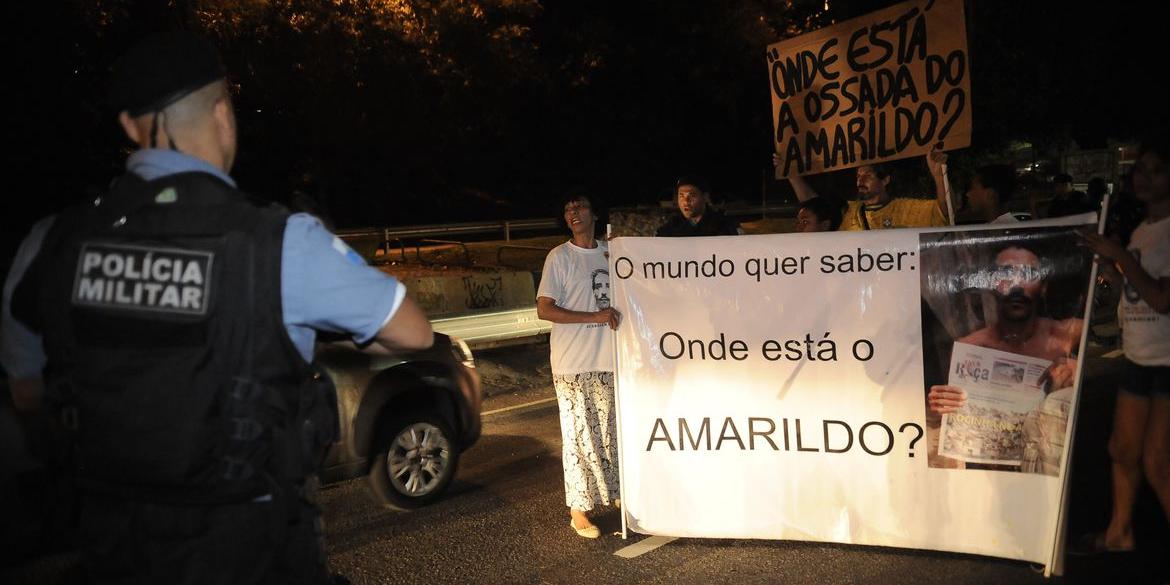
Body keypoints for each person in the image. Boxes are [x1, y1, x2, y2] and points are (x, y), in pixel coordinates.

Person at [0, 31, 433, 584]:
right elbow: (414, 335)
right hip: (251, 551)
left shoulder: (52, 242)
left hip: (113, 546)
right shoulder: (279, 242)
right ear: (224, 113)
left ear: (130, 128)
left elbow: (28, 393)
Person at [1075, 139, 1170, 554]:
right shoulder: (1144, 230)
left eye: (1156, 170)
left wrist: (1120, 257)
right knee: (1122, 449)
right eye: (1140, 169)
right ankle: (1119, 533)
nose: (1143, 177)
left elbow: (1162, 299)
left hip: (1167, 361)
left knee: (1158, 463)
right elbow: (1135, 288)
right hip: (1137, 356)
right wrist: (1109, 269)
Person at [927, 242, 1084, 475]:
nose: (1016, 286)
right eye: (1006, 275)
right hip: (994, 474)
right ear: (991, 284)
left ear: (1043, 286)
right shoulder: (971, 347)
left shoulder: (1068, 334)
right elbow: (954, 417)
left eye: (1028, 275)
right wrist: (938, 406)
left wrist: (1078, 371)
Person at [536, 191, 622, 539]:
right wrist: (595, 317)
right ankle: (579, 510)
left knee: (611, 432)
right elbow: (544, 309)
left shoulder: (611, 252)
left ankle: (616, 494)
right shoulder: (559, 257)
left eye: (580, 206)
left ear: (594, 213)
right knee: (578, 435)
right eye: (568, 208)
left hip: (609, 359)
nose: (573, 212)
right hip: (572, 362)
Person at [776, 145, 953, 230]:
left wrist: (939, 176)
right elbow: (812, 204)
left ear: (885, 180)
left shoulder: (906, 209)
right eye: (858, 176)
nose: (860, 180)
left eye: (867, 175)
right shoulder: (847, 211)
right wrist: (790, 173)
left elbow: (944, 211)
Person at [655, 177, 742, 237]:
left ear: (705, 197)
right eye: (681, 196)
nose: (686, 201)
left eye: (692, 195)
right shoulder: (670, 228)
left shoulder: (724, 226)